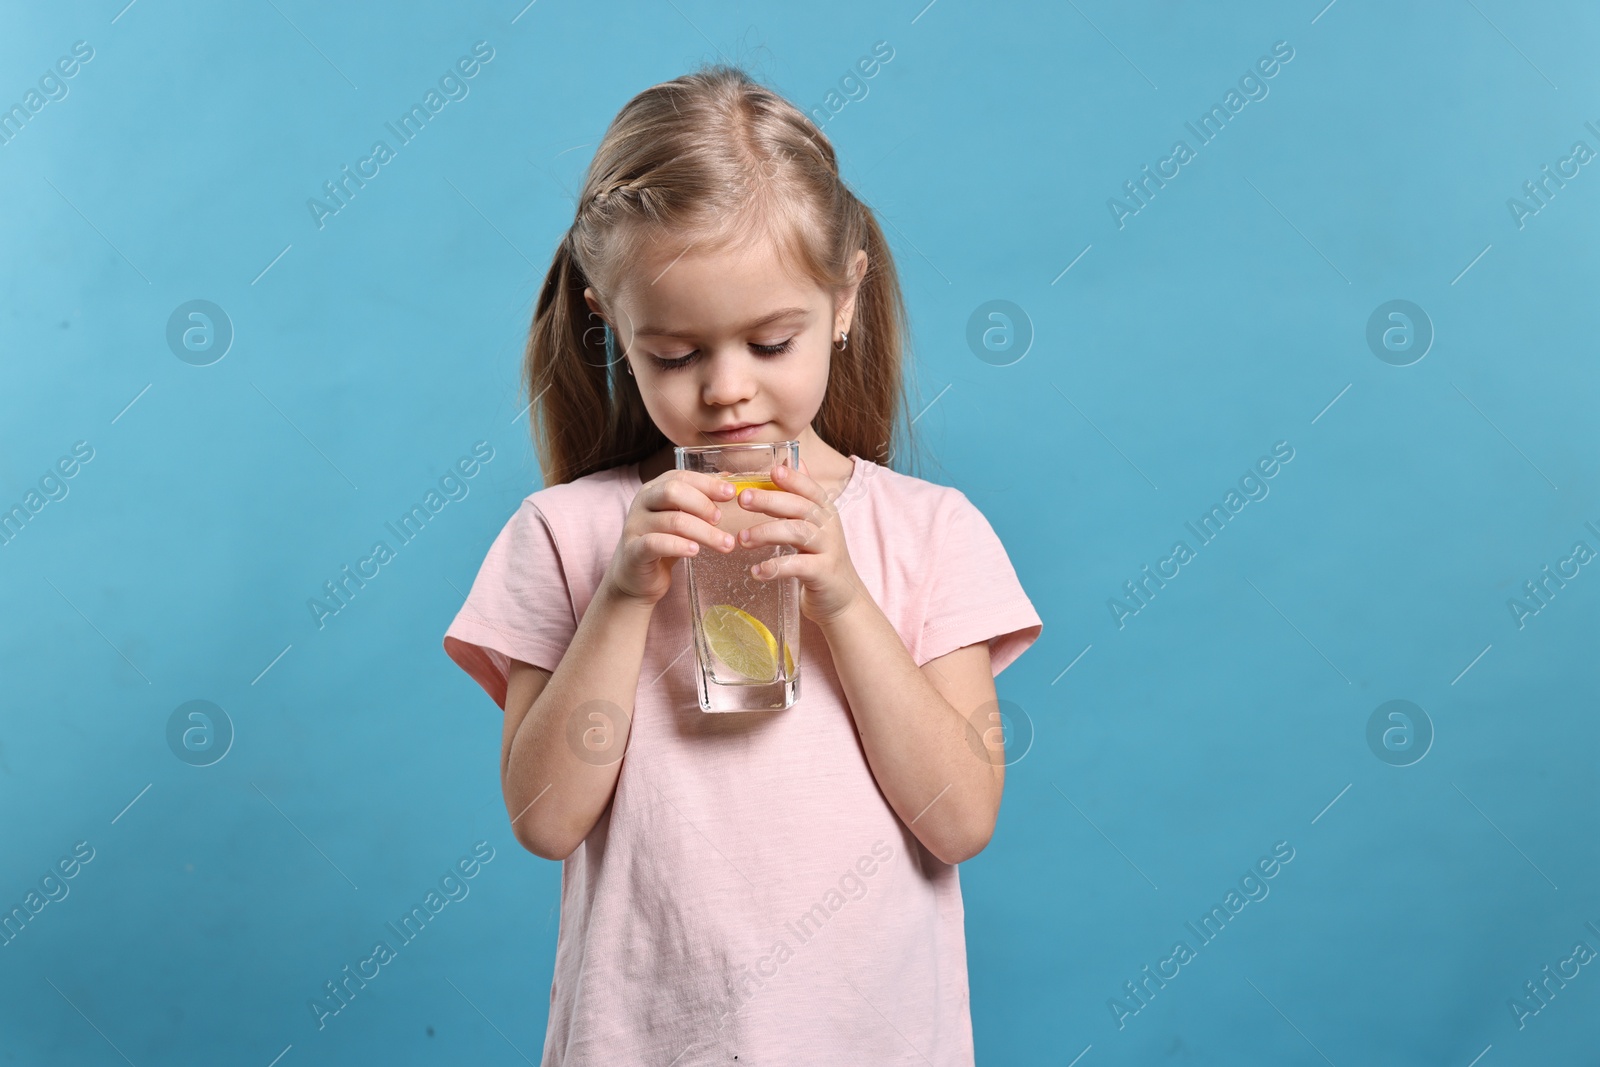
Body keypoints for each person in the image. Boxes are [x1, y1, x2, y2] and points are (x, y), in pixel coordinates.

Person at [441, 62, 1042, 1066]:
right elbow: (546, 819)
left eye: (771, 341)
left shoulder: (933, 532)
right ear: (610, 324)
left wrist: (844, 594)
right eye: (675, 354)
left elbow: (960, 816)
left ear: (842, 300)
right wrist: (625, 593)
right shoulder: (566, 534)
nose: (727, 390)